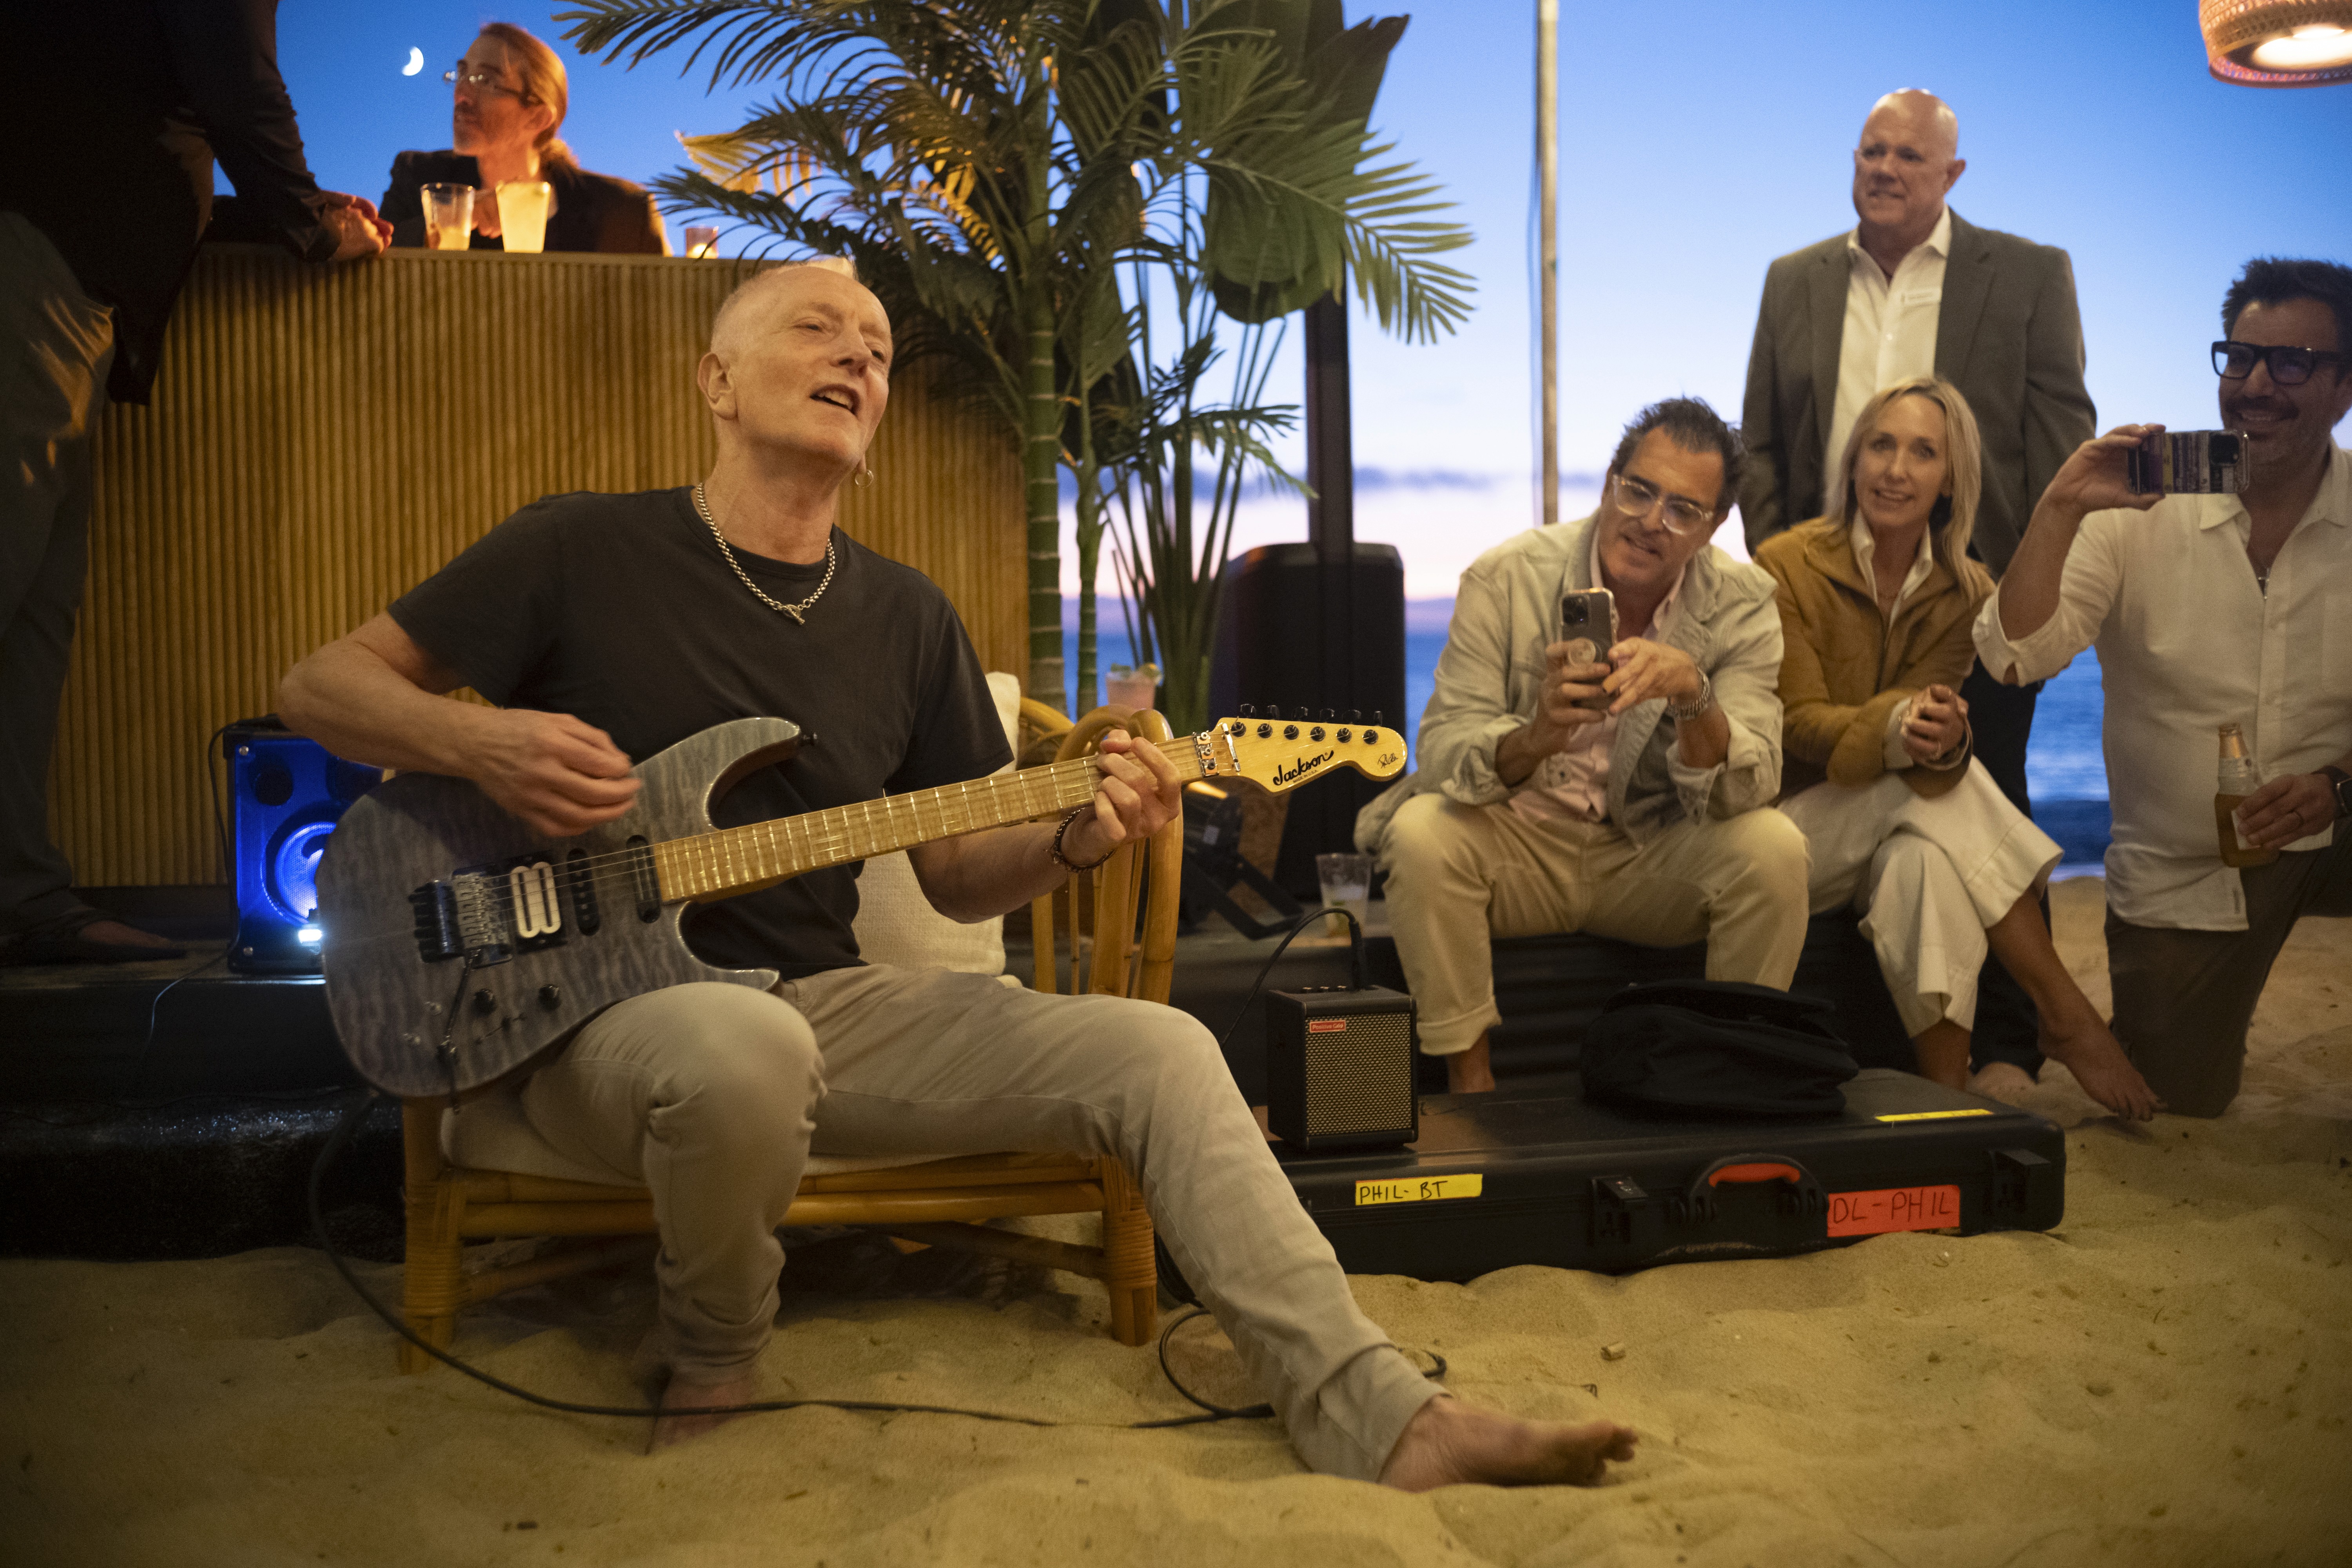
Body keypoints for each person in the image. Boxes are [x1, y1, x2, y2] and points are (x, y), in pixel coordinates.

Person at [275, 259, 1636, 1484]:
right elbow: (318, 686)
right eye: (819, 328)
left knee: (1162, 1051)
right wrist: (485, 740)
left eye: (874, 348)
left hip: (827, 1006)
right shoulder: (579, 549)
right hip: (576, 1020)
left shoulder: (906, 616)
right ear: (718, 379)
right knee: (739, 1045)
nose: (860, 358)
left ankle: (1380, 1412)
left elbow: (956, 878)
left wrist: (1078, 831)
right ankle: (711, 1352)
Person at [0, 0, 388, 966]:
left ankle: (22, 894)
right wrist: (304, 221)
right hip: (37, 254)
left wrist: (285, 206)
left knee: (35, 614)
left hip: (64, 268)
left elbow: (135, 81)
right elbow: (231, 73)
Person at [1738, 87, 2096, 1087]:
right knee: (1870, 796)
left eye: (1908, 156)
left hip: (1974, 601)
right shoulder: (1794, 279)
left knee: (1985, 786)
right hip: (1826, 590)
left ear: (1952, 175)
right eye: (1870, 151)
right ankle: (1898, 1041)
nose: (1885, 169)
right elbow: (1760, 440)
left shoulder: (2025, 274)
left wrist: (2012, 590)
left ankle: (2016, 1039)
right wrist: (1796, 571)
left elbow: (2061, 436)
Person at [1976, 257, 2352, 1119]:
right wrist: (2063, 505)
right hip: (2192, 867)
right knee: (2178, 1097)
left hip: (2341, 825)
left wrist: (2337, 784)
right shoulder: (2136, 511)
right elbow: (2013, 658)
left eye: (2291, 362)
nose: (2256, 385)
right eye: (2240, 357)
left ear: (2344, 387)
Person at [1358, 398, 1811, 1096]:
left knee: (1775, 849)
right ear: (1609, 482)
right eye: (1639, 491)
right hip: (1521, 846)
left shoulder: (1745, 602)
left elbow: (1751, 788)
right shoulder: (1506, 577)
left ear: (1716, 526)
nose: (1650, 522)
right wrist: (1536, 736)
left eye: (1682, 509)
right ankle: (1471, 1087)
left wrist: (1693, 693)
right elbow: (1445, 750)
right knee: (1421, 834)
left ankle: (1733, 1079)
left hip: (1645, 854)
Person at [1758, 376, 2159, 1119]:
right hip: (1782, 834)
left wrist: (1944, 738)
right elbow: (1794, 723)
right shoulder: (1785, 565)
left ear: (1951, 480)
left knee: (1927, 864)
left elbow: (1933, 730)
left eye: (1922, 453)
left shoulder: (1969, 589)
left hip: (1885, 834)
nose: (1896, 469)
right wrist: (1899, 731)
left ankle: (1946, 1102)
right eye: (1881, 445)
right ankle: (2061, 1005)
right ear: (1853, 462)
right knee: (1920, 787)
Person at [380, 24, 667, 256]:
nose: (461, 95)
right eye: (462, 75)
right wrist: (452, 220)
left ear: (538, 118)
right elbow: (369, 264)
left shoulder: (623, 211)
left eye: (486, 81)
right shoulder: (419, 177)